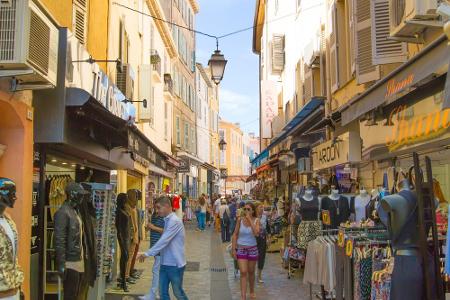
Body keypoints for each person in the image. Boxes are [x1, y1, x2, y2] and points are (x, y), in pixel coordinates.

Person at [138, 196, 188, 300]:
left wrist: (147, 253)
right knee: (163, 293)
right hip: (165, 263)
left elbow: (164, 240)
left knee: (178, 292)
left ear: (166, 206)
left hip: (175, 264)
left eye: (158, 208)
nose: (157, 210)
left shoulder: (174, 221)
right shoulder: (167, 220)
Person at [232, 202, 261, 300]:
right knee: (243, 272)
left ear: (253, 211)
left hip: (252, 249)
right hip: (241, 249)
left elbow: (256, 233)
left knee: (251, 272)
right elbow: (235, 234)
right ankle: (243, 296)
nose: (246, 211)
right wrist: (233, 249)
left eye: (248, 209)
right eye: (245, 209)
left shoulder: (257, 220)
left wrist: (249, 220)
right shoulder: (240, 220)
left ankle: (252, 290)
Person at [139, 203, 165, 300]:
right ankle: (158, 293)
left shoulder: (164, 217)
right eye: (155, 207)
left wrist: (153, 227)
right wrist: (148, 227)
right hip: (154, 247)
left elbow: (165, 231)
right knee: (158, 271)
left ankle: (153, 294)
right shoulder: (154, 215)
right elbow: (152, 228)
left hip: (160, 248)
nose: (156, 210)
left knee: (156, 271)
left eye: (158, 208)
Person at [256, 203, 268, 284]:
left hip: (262, 239)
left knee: (261, 257)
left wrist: (268, 238)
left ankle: (259, 275)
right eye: (260, 207)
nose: (262, 209)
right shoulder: (253, 217)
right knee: (252, 257)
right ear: (256, 208)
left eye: (262, 207)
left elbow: (268, 228)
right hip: (253, 238)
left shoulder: (264, 217)